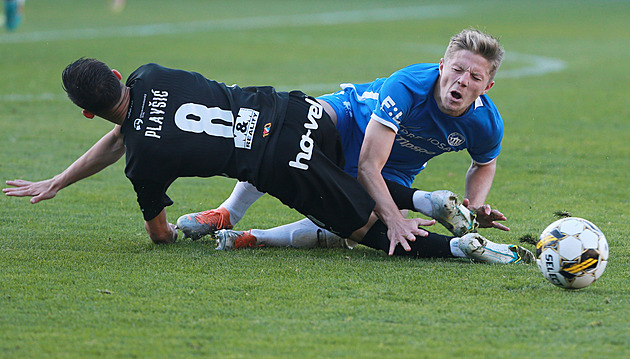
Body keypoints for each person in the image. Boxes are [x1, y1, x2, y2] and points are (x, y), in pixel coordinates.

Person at [3, 57, 533, 264]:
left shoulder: (143, 161)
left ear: (87, 115)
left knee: (367, 230)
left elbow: (158, 230)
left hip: (281, 160)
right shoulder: (148, 75)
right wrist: (60, 179)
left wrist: (158, 229)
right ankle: (424, 199)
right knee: (351, 180)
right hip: (299, 108)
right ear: (119, 77)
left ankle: (464, 248)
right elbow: (133, 124)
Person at [177, 28, 510, 252]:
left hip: (393, 169)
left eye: (475, 77)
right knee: (289, 129)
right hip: (350, 119)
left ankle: (254, 239)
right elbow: (367, 166)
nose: (462, 81)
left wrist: (473, 206)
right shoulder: (407, 85)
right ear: (441, 66)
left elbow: (485, 162)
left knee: (353, 224)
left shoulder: (486, 123)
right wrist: (394, 216)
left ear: (488, 87)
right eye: (456, 70)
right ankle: (228, 212)